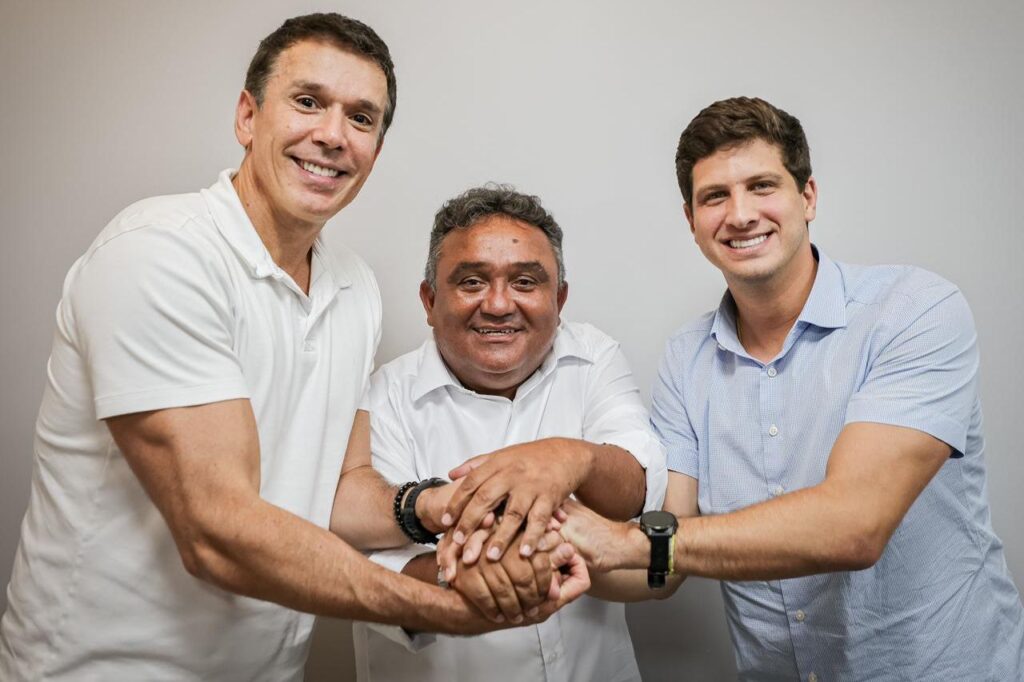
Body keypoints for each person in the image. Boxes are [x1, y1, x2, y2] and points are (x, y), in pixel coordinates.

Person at [0, 14, 587, 681]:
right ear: (248, 117)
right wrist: (442, 606)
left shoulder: (354, 287)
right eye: (308, 101)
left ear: (374, 151)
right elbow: (217, 532)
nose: (333, 135)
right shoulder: (159, 254)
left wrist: (444, 508)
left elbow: (341, 488)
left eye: (361, 118)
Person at [560, 97, 1024, 680]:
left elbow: (855, 525)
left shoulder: (914, 311)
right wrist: (547, 549)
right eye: (715, 197)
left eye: (761, 186)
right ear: (692, 222)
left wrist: (632, 544)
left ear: (808, 197)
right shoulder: (685, 357)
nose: (740, 214)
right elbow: (668, 559)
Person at [341, 185, 667, 681]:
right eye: (471, 282)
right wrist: (467, 574)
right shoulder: (379, 397)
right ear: (429, 300)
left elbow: (640, 488)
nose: (497, 305)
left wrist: (571, 458)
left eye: (525, 282)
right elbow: (363, 561)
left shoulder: (594, 356)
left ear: (559, 299)